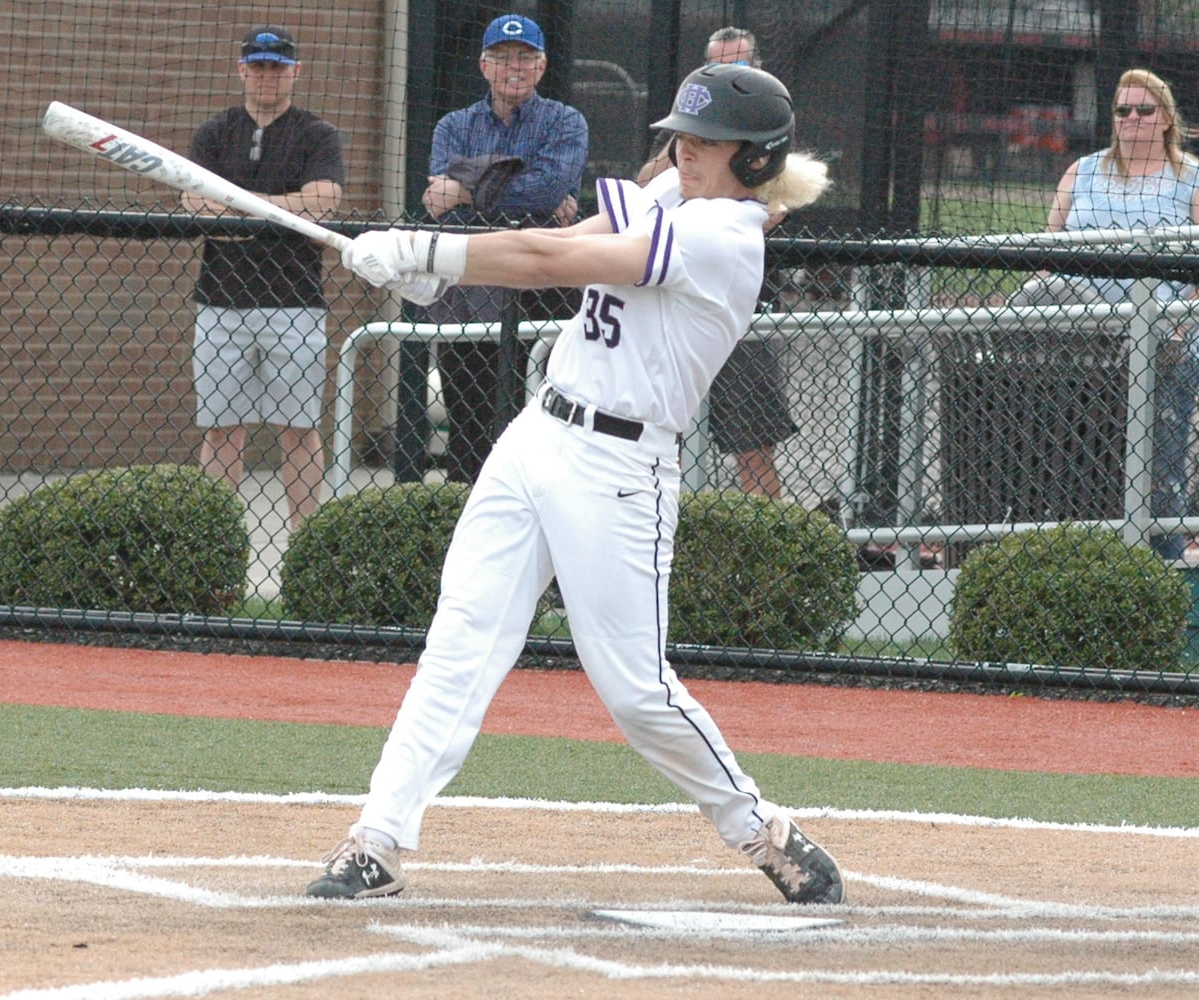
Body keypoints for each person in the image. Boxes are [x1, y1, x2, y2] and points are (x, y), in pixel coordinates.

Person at [308, 63, 841, 906]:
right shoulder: (673, 190)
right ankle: (377, 838)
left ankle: (759, 828)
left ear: (753, 159)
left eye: (707, 140)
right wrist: (445, 271)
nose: (683, 149)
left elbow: (552, 251)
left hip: (620, 470)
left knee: (636, 691)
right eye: (681, 134)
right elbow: (577, 238)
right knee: (462, 637)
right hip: (540, 432)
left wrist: (429, 251)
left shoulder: (725, 240)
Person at [1044, 68, 1199, 559]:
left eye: (1143, 110)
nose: (1131, 119)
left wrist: (1176, 326)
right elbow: (1046, 258)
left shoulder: (1195, 178)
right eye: (1122, 110)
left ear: (1166, 118)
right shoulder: (1081, 171)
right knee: (1083, 462)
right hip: (1084, 348)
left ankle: (1165, 571)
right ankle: (1088, 562)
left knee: (1158, 468)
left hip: (1167, 347)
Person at [183, 26, 343, 530]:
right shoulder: (214, 132)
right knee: (222, 429)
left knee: (298, 429)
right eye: (258, 66)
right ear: (242, 71)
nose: (267, 76)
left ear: (295, 72)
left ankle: (306, 545)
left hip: (295, 305)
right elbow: (194, 202)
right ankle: (216, 542)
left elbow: (322, 202)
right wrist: (280, 213)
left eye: (277, 67)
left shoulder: (317, 135)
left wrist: (241, 209)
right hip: (220, 304)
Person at [421, 13, 588, 484]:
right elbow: (441, 205)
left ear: (541, 66)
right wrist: (522, 181)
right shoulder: (453, 126)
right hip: (470, 291)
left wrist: (468, 186)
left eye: (525, 58)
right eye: (502, 58)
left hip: (544, 287)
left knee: (545, 427)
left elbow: (548, 188)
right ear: (483, 66)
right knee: (469, 435)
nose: (513, 67)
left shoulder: (564, 121)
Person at [636, 26, 798, 498]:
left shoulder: (770, 128)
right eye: (719, 63)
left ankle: (770, 562)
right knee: (659, 448)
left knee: (753, 454)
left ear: (758, 68)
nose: (730, 72)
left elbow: (778, 204)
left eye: (740, 65)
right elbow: (649, 180)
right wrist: (692, 152)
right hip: (675, 308)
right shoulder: (691, 128)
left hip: (739, 316)